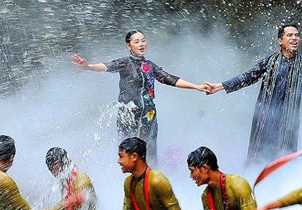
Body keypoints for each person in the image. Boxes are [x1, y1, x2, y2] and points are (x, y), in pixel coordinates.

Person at [205, 25, 302, 165]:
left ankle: (282, 190)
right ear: (280, 41)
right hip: (264, 119)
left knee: (285, 159)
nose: (294, 38)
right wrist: (220, 86)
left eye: (297, 35)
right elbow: (247, 77)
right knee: (257, 157)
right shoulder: (269, 61)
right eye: (290, 35)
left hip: (289, 122)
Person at [72, 30, 206, 165]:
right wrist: (88, 66)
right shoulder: (125, 63)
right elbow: (106, 66)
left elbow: (170, 79)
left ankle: (152, 181)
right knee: (129, 155)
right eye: (136, 42)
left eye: (143, 40)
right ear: (128, 46)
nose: (141, 44)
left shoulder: (150, 66)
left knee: (150, 154)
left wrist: (196, 87)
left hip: (149, 118)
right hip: (128, 117)